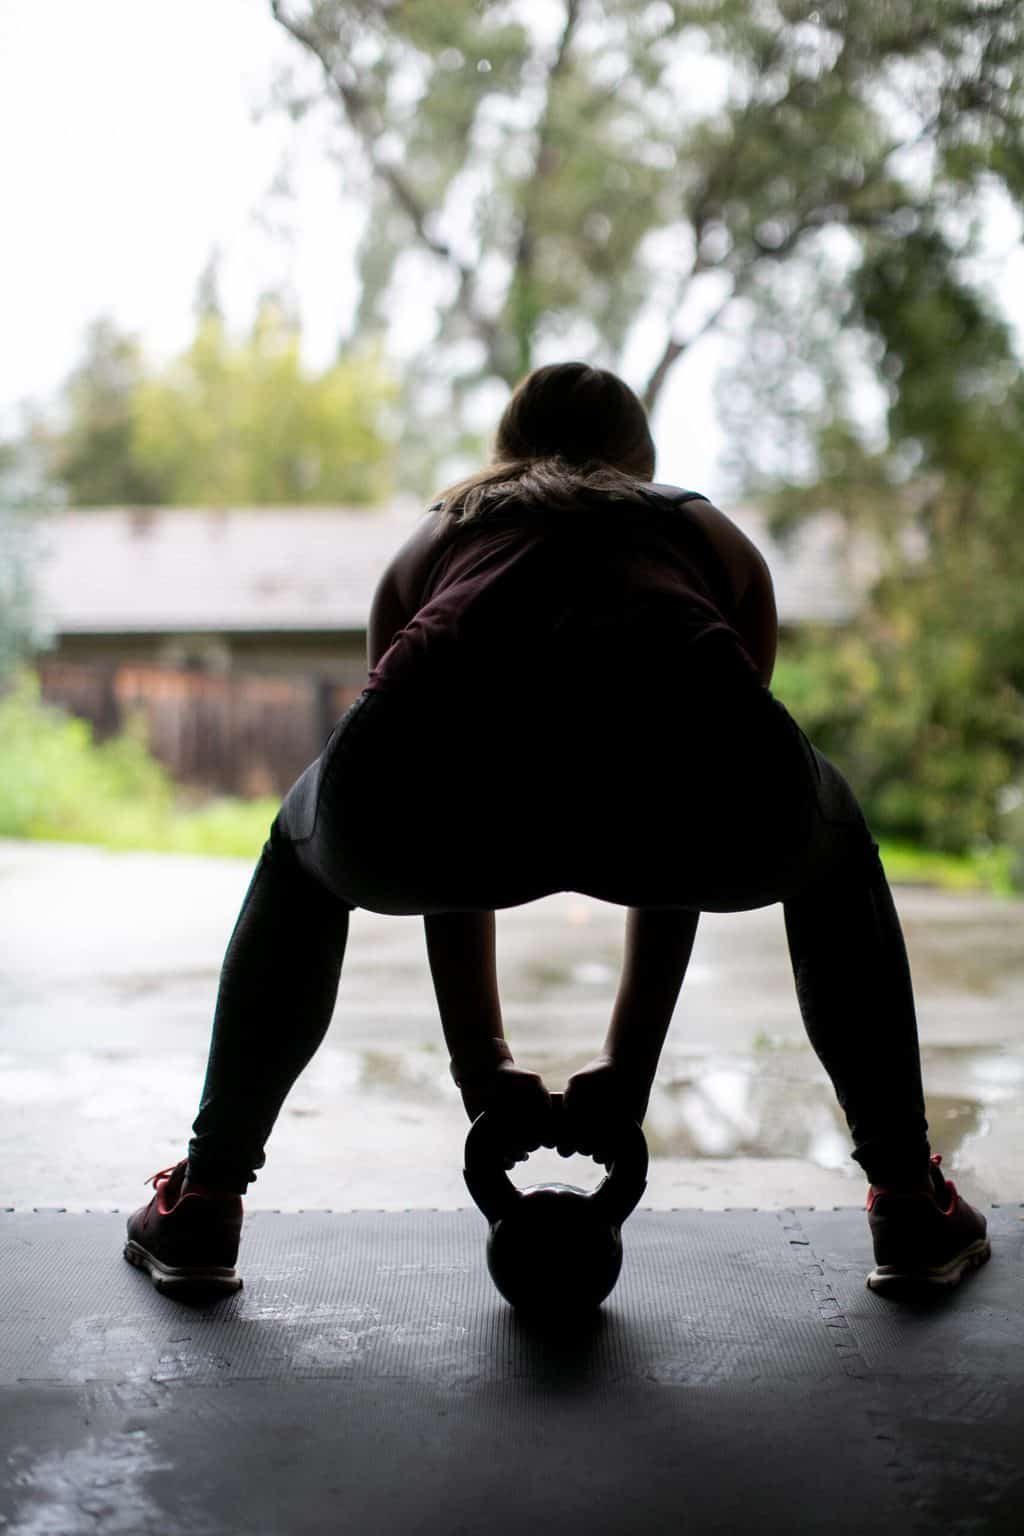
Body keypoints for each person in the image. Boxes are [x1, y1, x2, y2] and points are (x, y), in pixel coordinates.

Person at [124, 361, 990, 1302]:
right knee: (831, 834)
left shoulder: (436, 537)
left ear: (505, 453)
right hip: (696, 802)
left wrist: (482, 1071)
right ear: (641, 461)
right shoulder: (701, 528)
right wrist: (628, 1068)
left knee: (301, 847)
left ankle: (205, 1201)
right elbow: (702, 772)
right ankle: (907, 1198)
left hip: (422, 810)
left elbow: (424, 772)